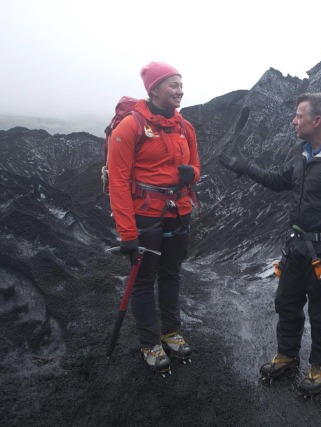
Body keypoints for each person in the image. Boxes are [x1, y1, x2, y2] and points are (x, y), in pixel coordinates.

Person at [218, 92, 321, 394]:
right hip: (296, 248)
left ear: (317, 119)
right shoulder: (304, 155)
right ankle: (287, 354)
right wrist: (245, 168)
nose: (293, 121)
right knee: (286, 303)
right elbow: (277, 181)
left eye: (299, 115)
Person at [107, 61, 200, 374]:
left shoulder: (184, 127)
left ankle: (171, 332)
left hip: (179, 212)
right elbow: (118, 182)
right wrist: (127, 233)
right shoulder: (129, 127)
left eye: (181, 84)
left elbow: (196, 168)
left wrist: (193, 173)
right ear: (154, 89)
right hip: (145, 217)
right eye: (173, 84)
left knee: (171, 272)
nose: (180, 90)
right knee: (144, 280)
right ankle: (149, 341)